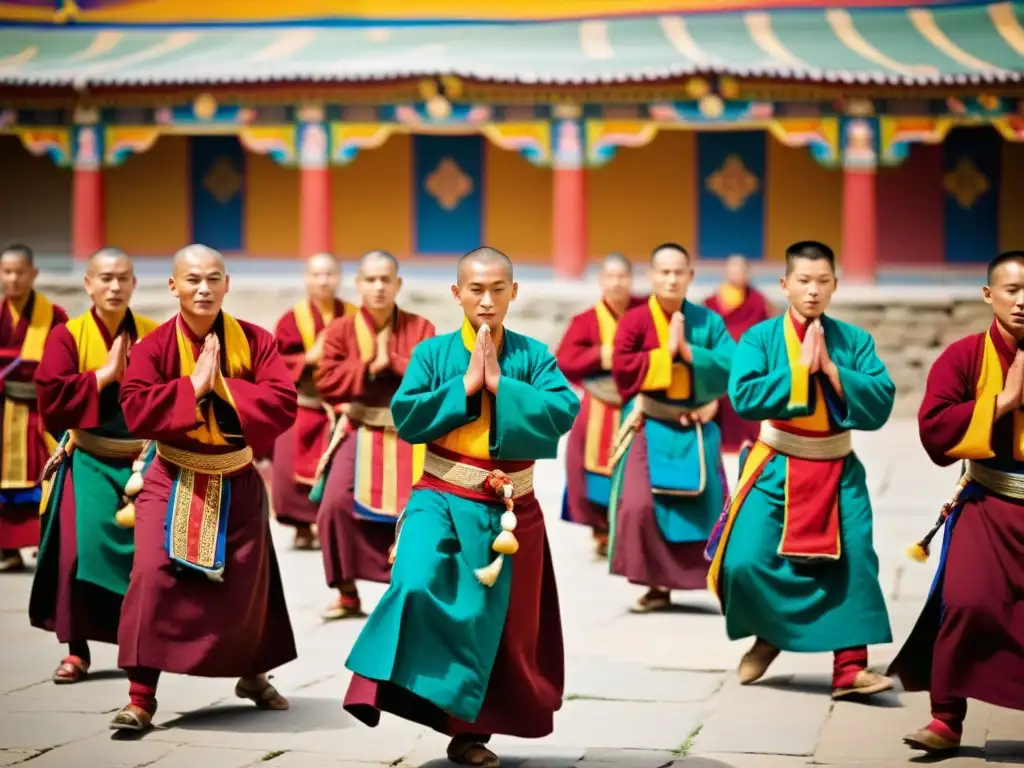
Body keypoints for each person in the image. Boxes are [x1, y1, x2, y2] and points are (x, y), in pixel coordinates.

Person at [342, 247, 578, 768]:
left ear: (514, 292)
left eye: (498, 289)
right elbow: (407, 418)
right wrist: (467, 385)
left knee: (497, 628)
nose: (487, 300)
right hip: (442, 496)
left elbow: (563, 410)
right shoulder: (433, 354)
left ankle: (470, 735)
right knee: (414, 582)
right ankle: (383, 687)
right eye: (476, 289)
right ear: (457, 294)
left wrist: (500, 384)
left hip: (511, 511)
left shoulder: (535, 355)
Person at [109, 244, 298, 731]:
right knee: (151, 576)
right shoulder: (152, 347)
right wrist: (191, 388)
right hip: (170, 477)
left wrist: (224, 388)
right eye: (192, 279)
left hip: (236, 476)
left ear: (227, 285)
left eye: (214, 278)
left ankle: (252, 675)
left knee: (246, 586)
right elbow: (134, 408)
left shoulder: (257, 341)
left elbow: (282, 402)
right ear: (173, 286)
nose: (203, 288)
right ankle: (141, 696)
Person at [707, 240, 894, 700]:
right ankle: (772, 633)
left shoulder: (855, 341)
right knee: (744, 560)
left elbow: (881, 398)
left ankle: (850, 668)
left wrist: (833, 371)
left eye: (823, 281)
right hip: (775, 464)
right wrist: (797, 371)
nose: (813, 291)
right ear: (785, 285)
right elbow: (745, 396)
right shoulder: (760, 339)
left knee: (854, 561)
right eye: (803, 281)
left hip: (838, 466)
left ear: (835, 285)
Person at [888, 250, 1024, 754]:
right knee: (965, 603)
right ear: (989, 295)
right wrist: (1003, 403)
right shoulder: (964, 356)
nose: (1023, 301)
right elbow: (934, 428)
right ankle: (946, 719)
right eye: (1012, 290)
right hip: (986, 502)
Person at [29, 248, 159, 685]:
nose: (115, 286)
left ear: (134, 284)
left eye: (123, 278)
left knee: (150, 557)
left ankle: (140, 645)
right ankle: (77, 651)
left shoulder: (153, 334)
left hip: (144, 460)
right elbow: (50, 397)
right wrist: (101, 377)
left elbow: (172, 393)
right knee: (76, 551)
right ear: (88, 284)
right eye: (105, 278)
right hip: (88, 457)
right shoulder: (69, 336)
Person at [608, 243, 735, 613]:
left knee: (709, 506)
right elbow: (622, 368)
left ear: (690, 277)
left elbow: (733, 362)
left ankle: (713, 581)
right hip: (648, 422)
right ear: (650, 276)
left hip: (695, 425)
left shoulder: (708, 321)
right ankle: (656, 585)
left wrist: (693, 355)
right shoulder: (634, 320)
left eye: (679, 272)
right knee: (638, 506)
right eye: (663, 272)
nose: (671, 279)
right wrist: (667, 355)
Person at [313, 250, 435, 620]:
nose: (379, 287)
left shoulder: (422, 327)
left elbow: (435, 377)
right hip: (361, 426)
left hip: (410, 434)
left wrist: (395, 362)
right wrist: (367, 366)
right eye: (371, 279)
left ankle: (411, 588)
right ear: (358, 285)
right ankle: (347, 593)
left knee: (420, 514)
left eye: (386, 280)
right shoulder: (339, 330)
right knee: (333, 506)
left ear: (398, 284)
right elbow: (326, 380)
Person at [556, 253, 644, 557]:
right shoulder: (586, 321)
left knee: (638, 467)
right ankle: (602, 531)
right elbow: (564, 360)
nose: (617, 283)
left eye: (623, 276)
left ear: (631, 280)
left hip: (638, 403)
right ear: (601, 281)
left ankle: (632, 530)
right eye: (611, 276)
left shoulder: (645, 312)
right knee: (592, 468)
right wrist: (602, 355)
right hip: (598, 405)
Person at [271, 252, 356, 550]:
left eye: (330, 274)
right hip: (303, 401)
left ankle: (332, 524)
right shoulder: (291, 319)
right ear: (307, 279)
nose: (323, 281)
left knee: (340, 470)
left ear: (340, 277)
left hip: (341, 406)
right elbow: (274, 361)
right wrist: (308, 358)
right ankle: (301, 527)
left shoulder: (355, 315)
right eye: (317, 275)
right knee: (287, 472)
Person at [0, 244, 68, 572]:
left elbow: (64, 359)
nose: (13, 278)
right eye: (7, 271)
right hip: (2, 411)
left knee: (47, 477)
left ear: (34, 274)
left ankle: (47, 545)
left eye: (19, 271)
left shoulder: (53, 315)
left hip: (41, 413)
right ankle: (7, 551)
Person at [703, 254, 774, 454]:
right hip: (720, 362)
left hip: (749, 362)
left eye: (742, 269)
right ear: (726, 272)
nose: (738, 274)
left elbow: (768, 333)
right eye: (733, 269)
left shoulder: (758, 302)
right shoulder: (711, 301)